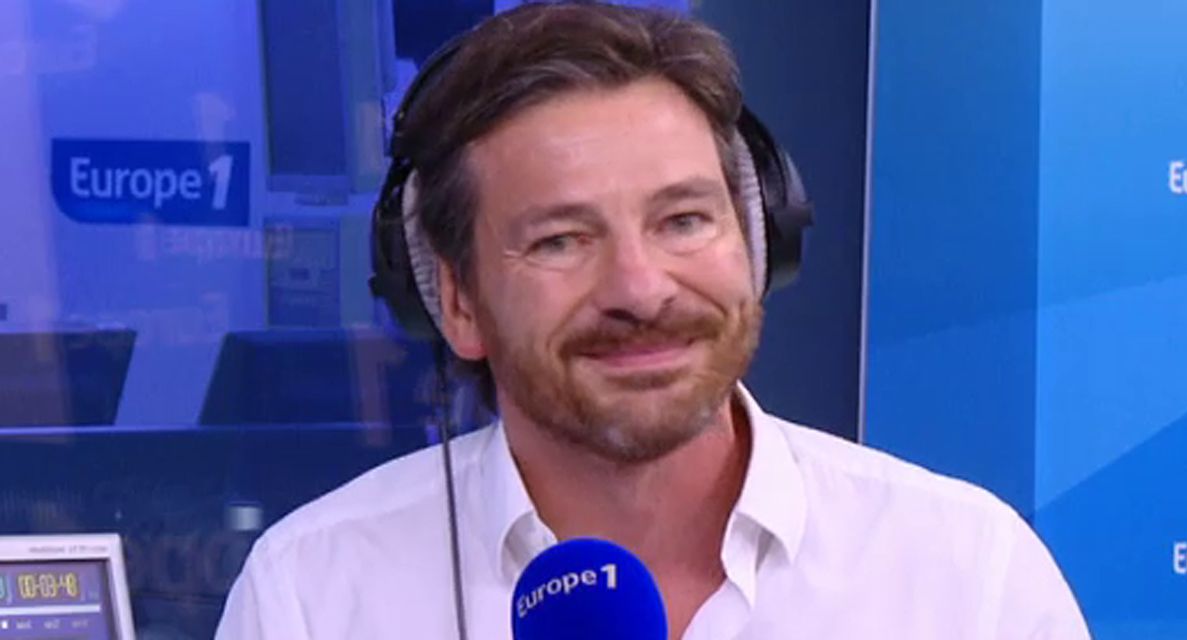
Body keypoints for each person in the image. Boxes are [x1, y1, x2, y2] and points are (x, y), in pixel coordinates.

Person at [216, 2, 1090, 638]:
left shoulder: (965, 575)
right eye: (561, 240)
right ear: (455, 300)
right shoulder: (316, 594)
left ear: (758, 242)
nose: (640, 288)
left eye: (683, 221)